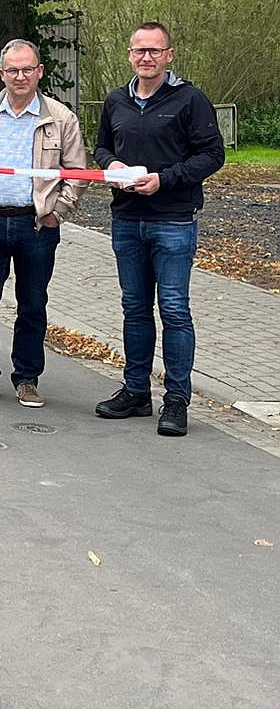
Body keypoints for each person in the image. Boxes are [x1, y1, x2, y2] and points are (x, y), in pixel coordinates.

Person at [92, 22, 225, 437]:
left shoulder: (190, 100)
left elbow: (212, 154)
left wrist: (164, 179)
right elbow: (100, 147)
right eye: (139, 51)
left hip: (172, 220)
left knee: (174, 309)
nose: (146, 57)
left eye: (154, 50)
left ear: (169, 55)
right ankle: (135, 391)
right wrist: (109, 165)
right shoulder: (116, 101)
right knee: (134, 308)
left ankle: (177, 399)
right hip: (127, 219)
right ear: (130, 55)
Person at [0, 39, 87, 409]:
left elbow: (77, 171)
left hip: (36, 225)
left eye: (27, 69)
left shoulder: (60, 118)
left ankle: (27, 378)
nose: (20, 76)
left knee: (32, 304)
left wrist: (59, 209)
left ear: (40, 71)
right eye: (13, 70)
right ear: (1, 74)